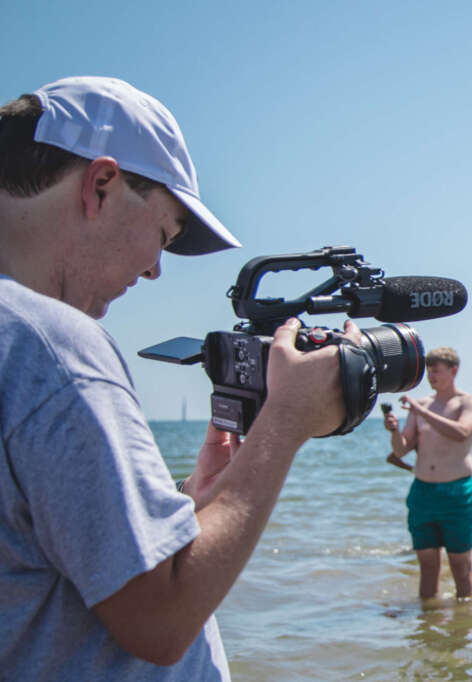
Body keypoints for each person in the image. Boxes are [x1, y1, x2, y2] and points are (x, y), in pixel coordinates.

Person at [0, 77, 356, 679]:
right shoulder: (49, 345)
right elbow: (160, 619)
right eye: (163, 235)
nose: (154, 271)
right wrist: (286, 423)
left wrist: (190, 507)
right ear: (101, 185)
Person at [384, 346, 472, 599]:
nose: (431, 377)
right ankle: (428, 620)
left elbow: (462, 432)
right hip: (423, 491)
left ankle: (464, 620)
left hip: (457, 491)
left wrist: (421, 412)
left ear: (453, 371)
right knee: (427, 566)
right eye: (429, 372)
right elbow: (401, 449)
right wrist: (394, 431)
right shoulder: (422, 405)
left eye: (436, 371)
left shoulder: (468, 401)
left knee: (460, 566)